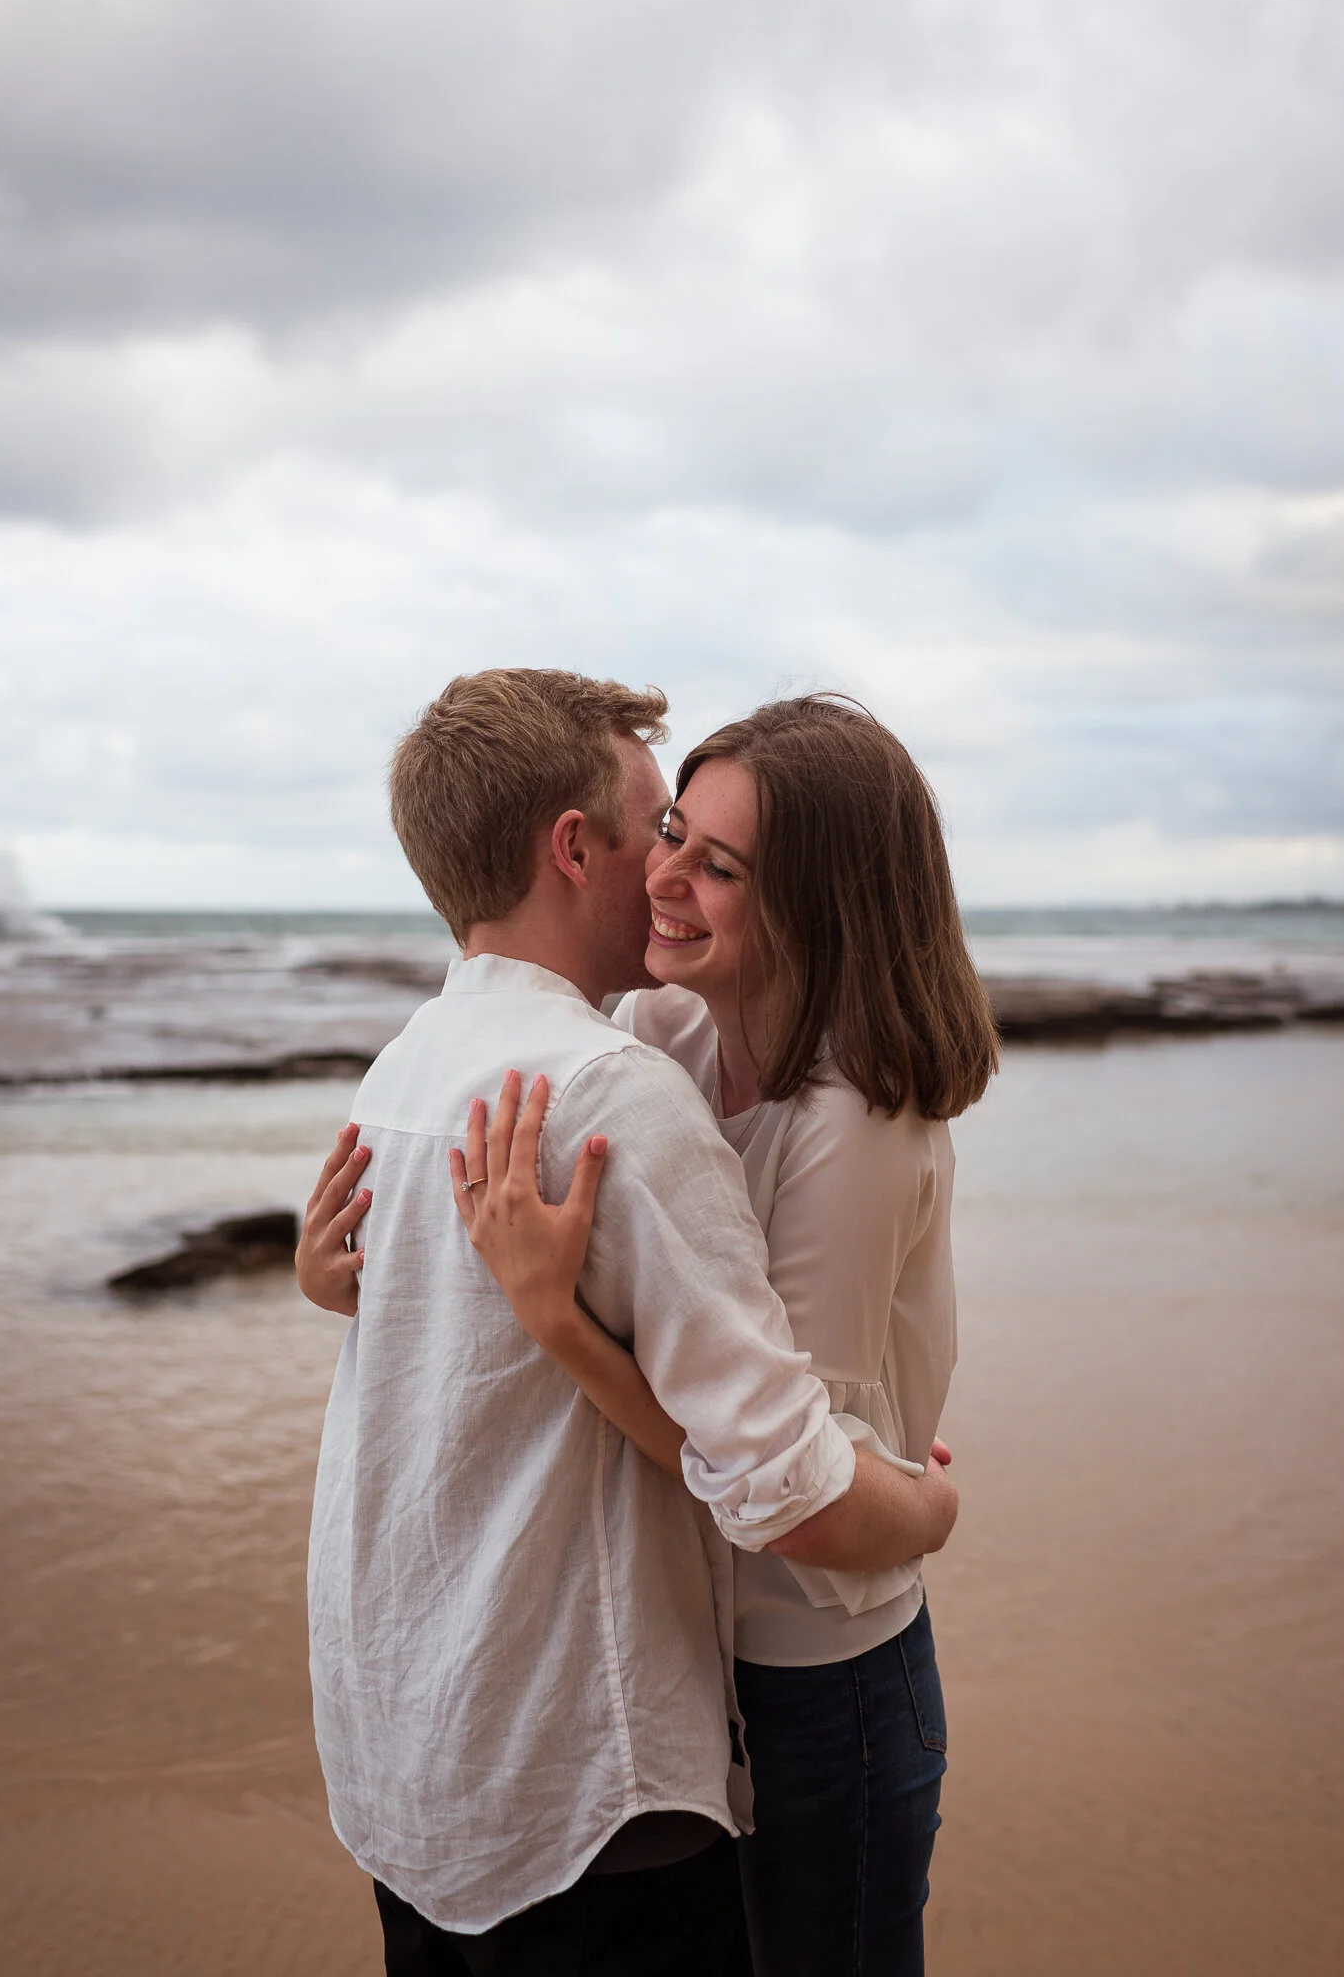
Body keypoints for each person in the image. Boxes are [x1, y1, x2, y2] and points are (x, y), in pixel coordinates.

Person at [299, 670, 959, 1977]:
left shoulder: (422, 1063)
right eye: (663, 830)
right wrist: (348, 1280)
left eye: (713, 860)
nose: (665, 873)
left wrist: (545, 1321)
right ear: (572, 846)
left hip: (779, 1660)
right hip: (618, 1722)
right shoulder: (632, 1063)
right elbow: (792, 1484)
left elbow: (796, 1493)